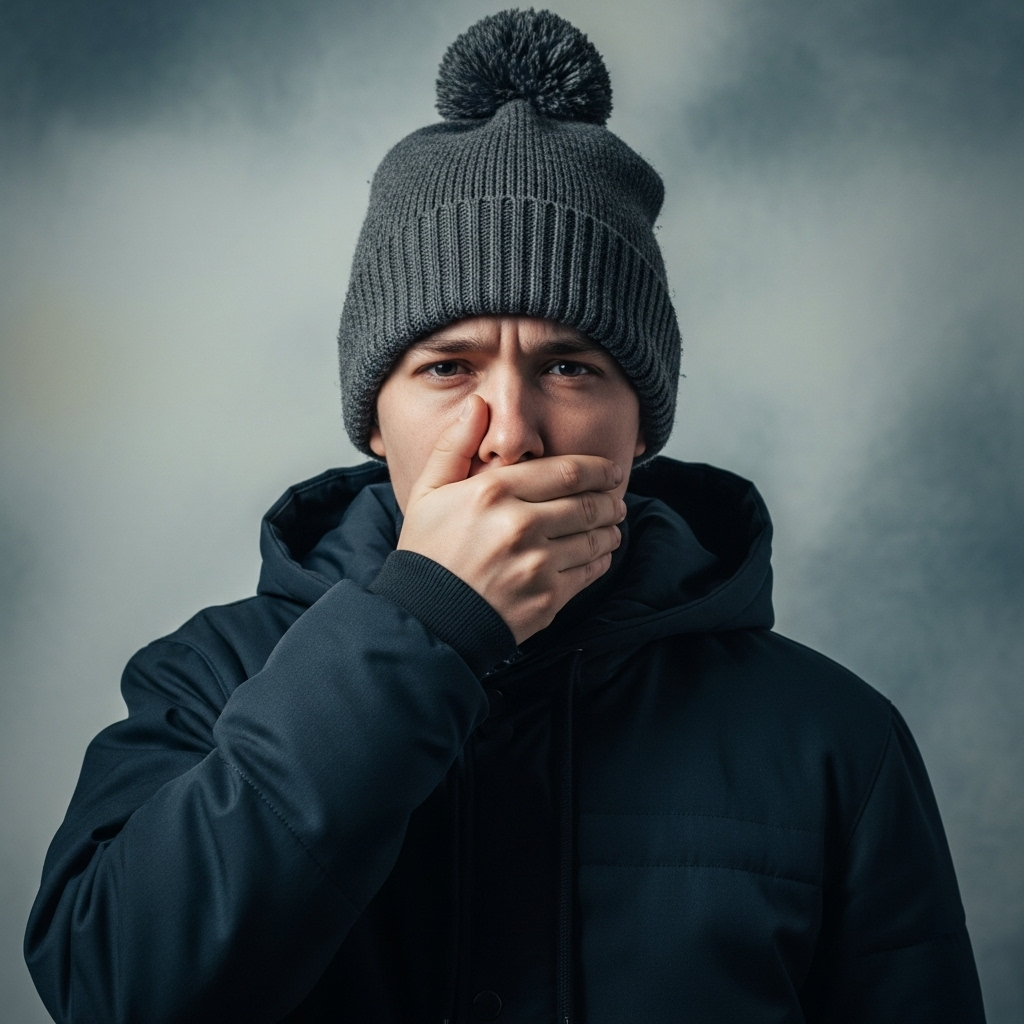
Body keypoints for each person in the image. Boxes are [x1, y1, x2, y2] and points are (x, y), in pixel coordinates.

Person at [25, 10, 986, 1024]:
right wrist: (422, 622)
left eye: (569, 366)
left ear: (643, 427)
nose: (509, 434)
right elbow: (115, 989)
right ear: (373, 421)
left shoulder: (832, 739)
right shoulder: (208, 679)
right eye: (448, 367)